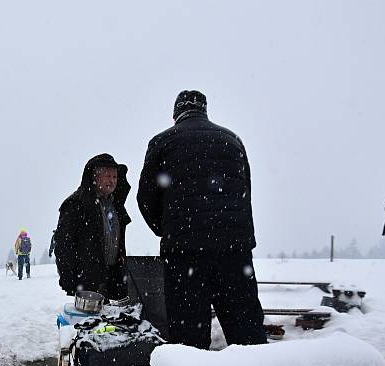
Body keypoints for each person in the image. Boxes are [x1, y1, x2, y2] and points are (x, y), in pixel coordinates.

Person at [137, 90, 266, 350]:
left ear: (176, 114)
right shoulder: (233, 141)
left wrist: (167, 229)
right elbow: (246, 192)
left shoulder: (163, 142)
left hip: (186, 253)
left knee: (189, 336)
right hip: (234, 251)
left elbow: (146, 197)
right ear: (204, 110)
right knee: (246, 330)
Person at [55, 153, 131, 300]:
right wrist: (69, 280)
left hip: (114, 280)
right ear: (94, 177)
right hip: (86, 282)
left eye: (115, 177)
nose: (112, 181)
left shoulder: (116, 205)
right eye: (107, 176)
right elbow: (63, 244)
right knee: (88, 322)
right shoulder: (76, 204)